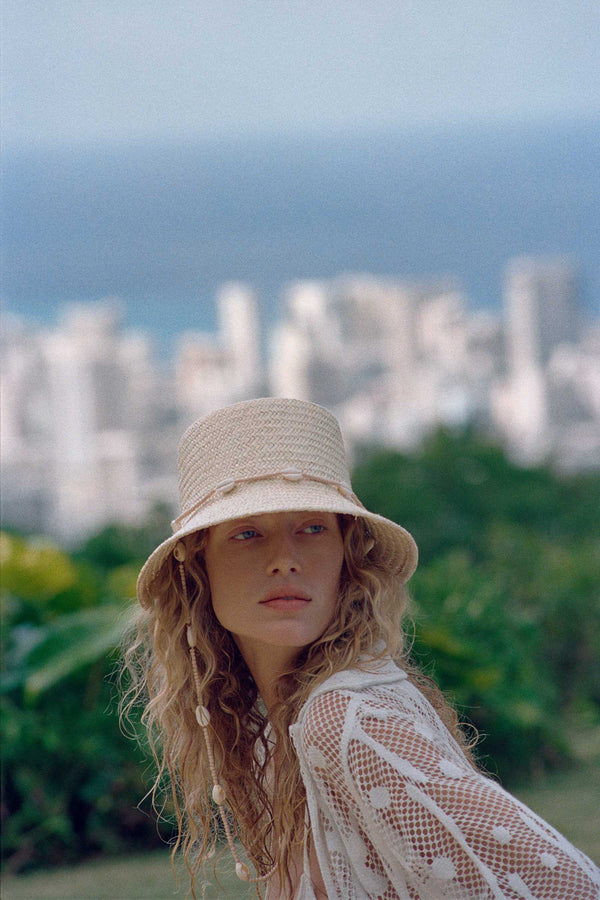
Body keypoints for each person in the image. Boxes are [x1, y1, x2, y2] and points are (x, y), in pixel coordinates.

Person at [124, 397, 600, 899]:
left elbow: (568, 885)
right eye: (247, 533)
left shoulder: (345, 721)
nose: (284, 559)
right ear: (197, 568)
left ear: (346, 555)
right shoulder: (270, 734)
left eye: (312, 529)